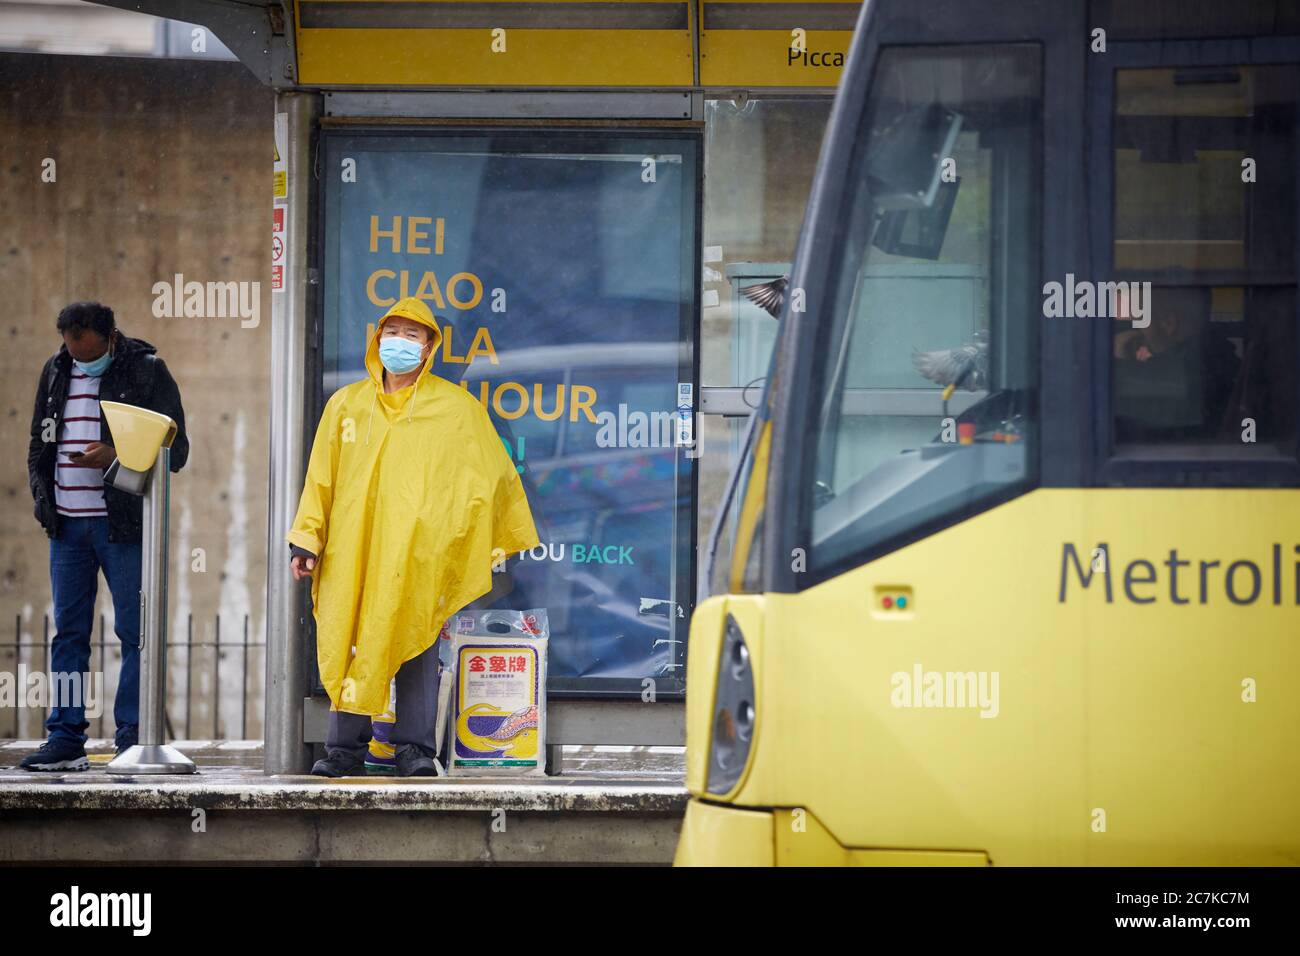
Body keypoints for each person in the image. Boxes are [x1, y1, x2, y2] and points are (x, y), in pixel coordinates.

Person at [289, 297, 539, 778]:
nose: (399, 343)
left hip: (418, 555)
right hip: (354, 551)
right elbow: (321, 479)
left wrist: (469, 540)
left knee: (417, 642)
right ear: (376, 339)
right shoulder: (347, 405)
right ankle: (343, 749)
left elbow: (492, 479)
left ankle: (414, 750)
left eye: (411, 335)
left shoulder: (455, 410)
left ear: (428, 348)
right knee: (353, 639)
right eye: (392, 332)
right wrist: (307, 540)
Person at [22, 301, 189, 771]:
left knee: (135, 632)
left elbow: (175, 451)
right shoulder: (56, 371)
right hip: (66, 527)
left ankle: (132, 736)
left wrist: (115, 455)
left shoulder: (147, 370)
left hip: (123, 527)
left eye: (88, 351)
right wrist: (43, 501)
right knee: (69, 635)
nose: (79, 358)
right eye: (72, 350)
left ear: (110, 337)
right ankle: (65, 737)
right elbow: (40, 442)